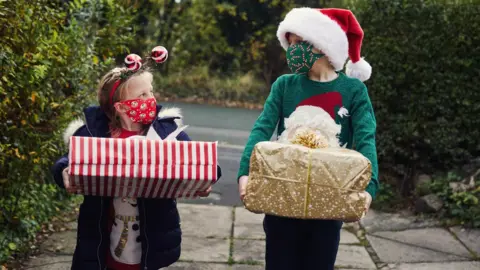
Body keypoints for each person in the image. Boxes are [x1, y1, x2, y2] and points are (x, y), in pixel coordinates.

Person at [237, 8, 379, 270]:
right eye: (291, 44)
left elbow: (366, 140)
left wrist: (368, 188)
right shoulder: (284, 85)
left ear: (325, 45)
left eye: (301, 43)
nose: (293, 50)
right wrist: (246, 172)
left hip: (328, 203)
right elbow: (262, 129)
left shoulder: (353, 91)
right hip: (282, 197)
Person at [52, 49, 220, 270]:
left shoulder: (166, 131)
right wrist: (64, 171)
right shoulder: (94, 133)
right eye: (142, 95)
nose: (151, 99)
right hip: (101, 238)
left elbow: (201, 163)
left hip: (151, 238)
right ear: (120, 107)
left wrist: (206, 178)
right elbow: (67, 162)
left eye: (151, 92)